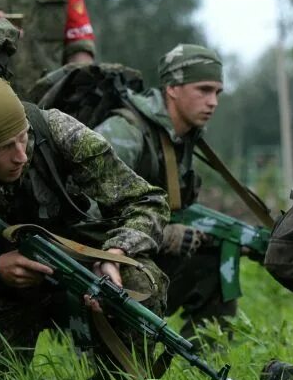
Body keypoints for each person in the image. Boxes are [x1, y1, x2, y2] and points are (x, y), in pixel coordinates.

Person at [0, 75, 168, 380]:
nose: (20, 155)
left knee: (139, 281)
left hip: (77, 273)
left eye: (22, 137)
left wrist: (113, 255)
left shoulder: (54, 131)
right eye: (0, 148)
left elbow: (147, 200)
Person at [95, 44, 229, 340]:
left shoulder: (182, 139)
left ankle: (206, 360)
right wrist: (164, 236)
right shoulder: (125, 133)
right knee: (140, 279)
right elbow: (82, 215)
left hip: (138, 251)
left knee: (218, 260)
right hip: (94, 262)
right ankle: (116, 375)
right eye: (203, 90)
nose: (213, 102)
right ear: (172, 89)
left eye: (217, 93)